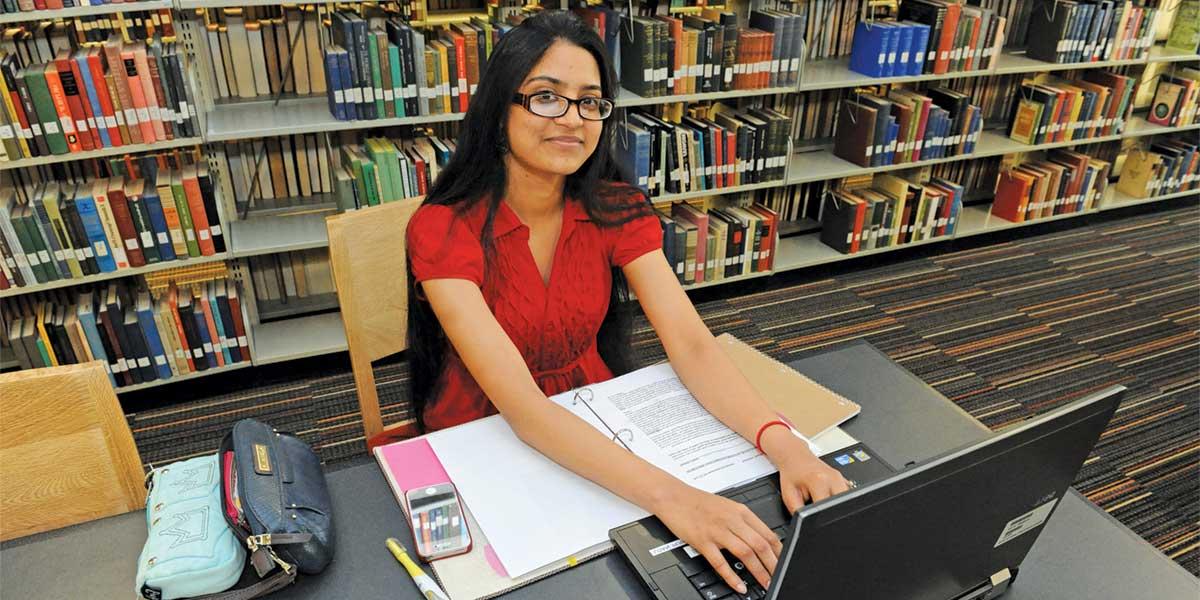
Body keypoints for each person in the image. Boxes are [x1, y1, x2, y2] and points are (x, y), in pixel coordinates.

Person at [405, 10, 850, 594]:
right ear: (498, 110)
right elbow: (523, 408)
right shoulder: (442, 228)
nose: (572, 119)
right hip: (486, 433)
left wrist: (785, 443)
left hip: (599, 409)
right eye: (546, 98)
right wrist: (677, 499)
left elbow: (691, 344)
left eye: (591, 102)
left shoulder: (615, 207)